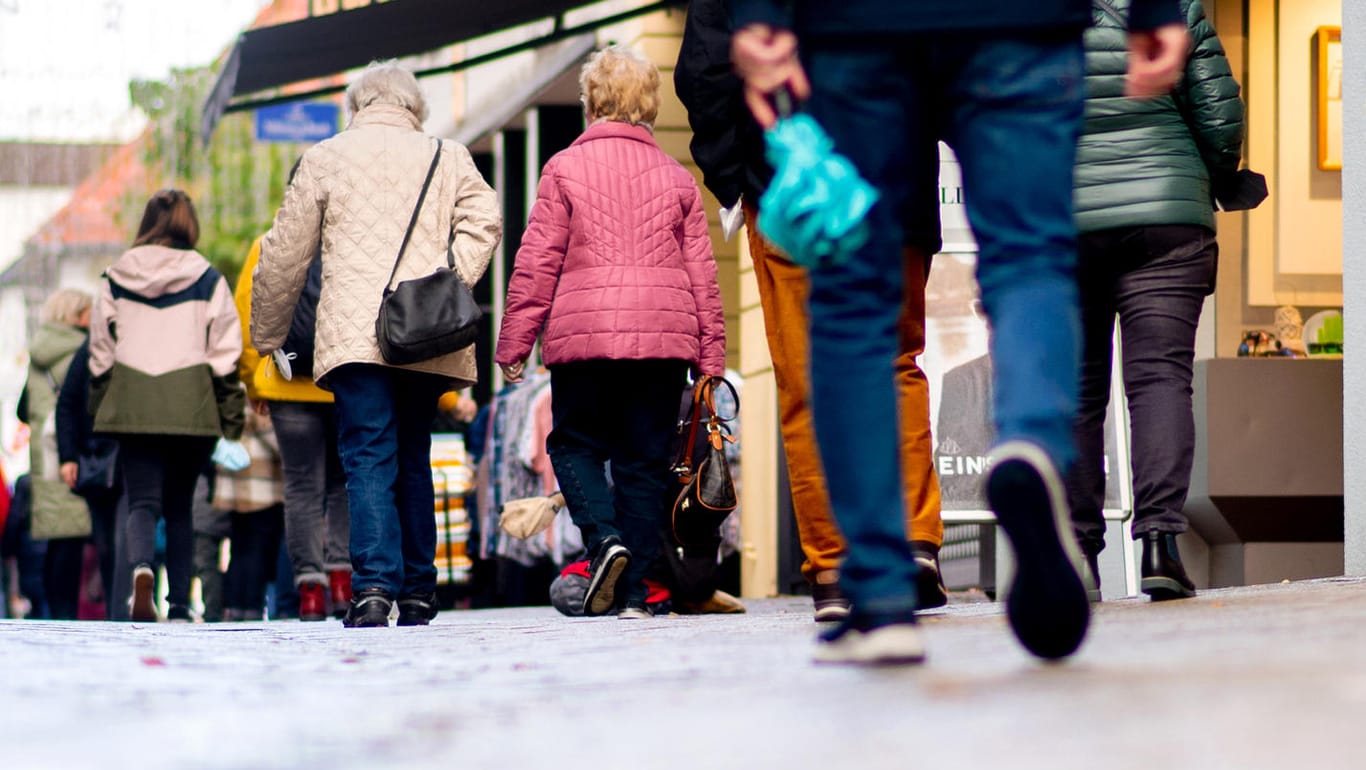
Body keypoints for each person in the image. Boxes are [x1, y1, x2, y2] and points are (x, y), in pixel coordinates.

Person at [730, 0, 1189, 664]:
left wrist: (758, 10)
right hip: (1020, 24)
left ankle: (882, 595)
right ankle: (1030, 440)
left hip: (858, 31)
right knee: (1030, 256)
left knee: (857, 293)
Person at [674, 0, 947, 621]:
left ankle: (834, 568)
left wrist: (733, 176)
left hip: (787, 185)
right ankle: (913, 544)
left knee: (805, 381)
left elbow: (706, 68)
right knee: (895, 361)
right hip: (892, 181)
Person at [253, 60, 502, 628]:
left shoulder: (324, 157)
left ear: (356, 106)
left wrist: (268, 335)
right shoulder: (448, 155)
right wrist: (449, 281)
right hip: (425, 330)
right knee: (413, 455)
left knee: (366, 455)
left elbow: (283, 254)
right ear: (415, 107)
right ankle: (417, 591)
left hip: (354, 336)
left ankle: (370, 590)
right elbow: (484, 219)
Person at [495, 45, 726, 620]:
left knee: (572, 445)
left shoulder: (563, 169)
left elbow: (537, 260)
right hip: (662, 339)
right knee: (644, 464)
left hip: (585, 338)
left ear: (590, 101)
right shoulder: (677, 178)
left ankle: (603, 541)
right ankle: (634, 599)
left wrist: (516, 340)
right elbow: (703, 272)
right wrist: (711, 356)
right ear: (649, 104)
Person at [1067, 0, 1243, 602]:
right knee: (1161, 380)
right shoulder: (1171, 5)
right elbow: (1219, 116)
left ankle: (1077, 557)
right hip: (1168, 212)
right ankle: (1161, 548)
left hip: (1067, 222)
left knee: (1079, 392)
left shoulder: (1027, 15)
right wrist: (1215, 177)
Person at [89, 188, 246, 623]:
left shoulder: (115, 276)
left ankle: (141, 571)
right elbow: (225, 352)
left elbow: (100, 352)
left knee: (142, 503)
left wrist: (101, 406)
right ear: (187, 223)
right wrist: (230, 421)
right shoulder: (208, 277)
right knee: (179, 508)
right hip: (190, 407)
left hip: (135, 405)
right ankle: (179, 604)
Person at [236, 231, 352, 622]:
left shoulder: (269, 241)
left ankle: (310, 591)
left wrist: (253, 380)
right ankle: (341, 581)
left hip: (287, 382)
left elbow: (247, 314)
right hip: (343, 380)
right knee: (343, 484)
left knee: (301, 487)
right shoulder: (351, 235)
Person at [25, 289, 95, 619]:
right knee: (72, 537)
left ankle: (55, 612)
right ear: (77, 315)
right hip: (69, 452)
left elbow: (23, 410)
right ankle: (65, 614)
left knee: (56, 539)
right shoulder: (78, 351)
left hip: (43, 455)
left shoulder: (38, 354)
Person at [212, 406, 285, 621]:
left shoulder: (230, 388)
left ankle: (234, 605)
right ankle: (250, 605)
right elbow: (268, 431)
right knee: (257, 546)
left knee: (240, 545)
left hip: (235, 478)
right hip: (259, 480)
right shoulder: (253, 390)